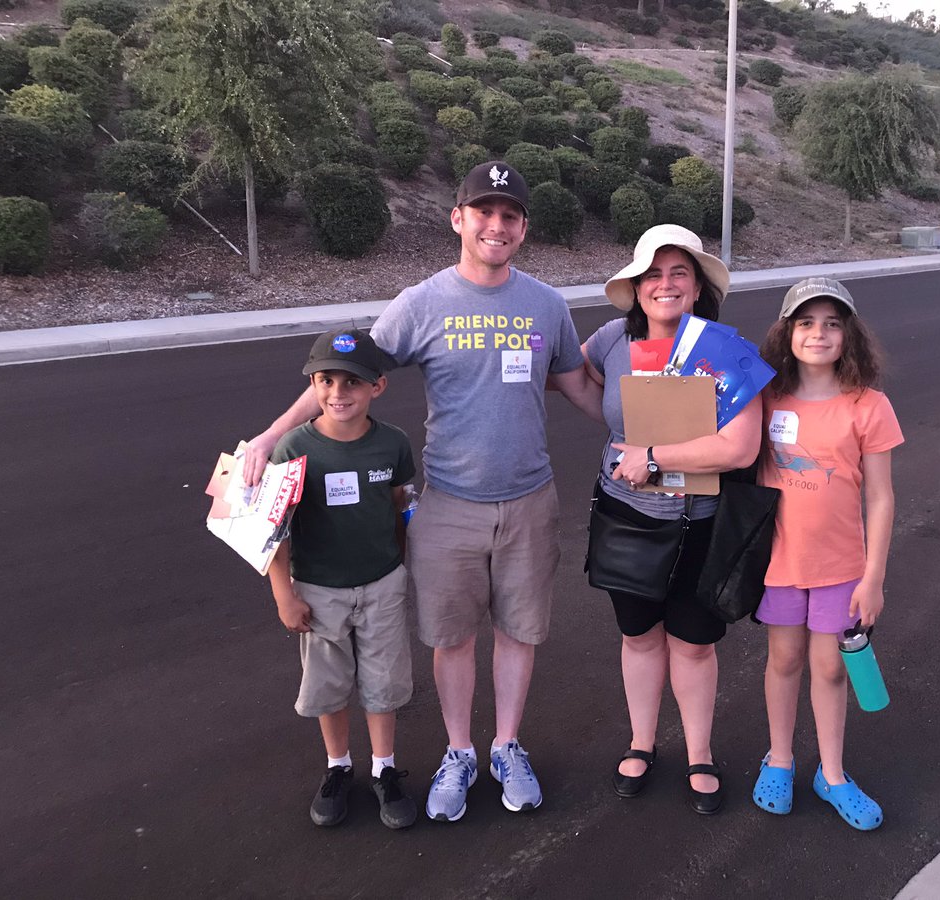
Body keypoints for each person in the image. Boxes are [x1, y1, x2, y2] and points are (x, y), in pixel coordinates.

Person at [244, 162, 603, 823]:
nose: (497, 225)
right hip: (447, 503)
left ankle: (507, 746)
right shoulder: (423, 303)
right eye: (484, 212)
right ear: (458, 219)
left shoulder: (548, 307)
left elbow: (582, 387)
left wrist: (659, 440)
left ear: (524, 228)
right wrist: (271, 434)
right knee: (452, 637)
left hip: (529, 498)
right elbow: (347, 367)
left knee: (521, 633)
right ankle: (461, 752)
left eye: (510, 216)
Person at [582, 224, 762, 815]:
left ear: (697, 285)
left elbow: (739, 448)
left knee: (693, 645)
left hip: (701, 523)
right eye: (652, 274)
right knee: (638, 637)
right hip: (626, 519)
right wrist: (618, 438)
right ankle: (641, 741)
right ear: (635, 288)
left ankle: (698, 752)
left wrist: (654, 457)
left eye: (678, 272)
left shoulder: (728, 351)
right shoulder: (611, 339)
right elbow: (572, 378)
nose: (664, 284)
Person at [750, 276, 903, 831]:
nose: (818, 333)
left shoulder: (869, 405)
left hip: (842, 568)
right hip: (779, 563)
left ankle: (832, 773)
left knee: (829, 668)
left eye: (832, 323)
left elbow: (881, 497)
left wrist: (874, 577)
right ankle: (781, 758)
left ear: (849, 335)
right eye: (806, 322)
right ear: (787, 332)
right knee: (784, 660)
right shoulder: (765, 396)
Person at [266, 329, 418, 830]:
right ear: (313, 384)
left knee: (383, 684)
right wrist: (284, 595)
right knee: (329, 687)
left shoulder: (392, 443)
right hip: (318, 590)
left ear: (377, 387)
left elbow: (399, 507)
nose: (338, 393)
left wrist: (398, 567)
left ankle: (384, 768)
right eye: (327, 381)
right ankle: (338, 767)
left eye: (352, 382)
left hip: (381, 586)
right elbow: (275, 531)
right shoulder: (294, 448)